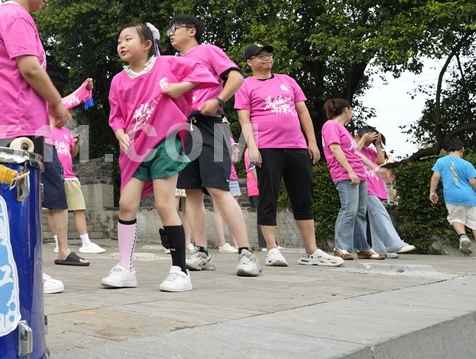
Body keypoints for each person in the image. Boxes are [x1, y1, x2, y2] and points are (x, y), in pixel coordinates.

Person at [102, 22, 221, 292]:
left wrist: (181, 88)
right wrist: (119, 133)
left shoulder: (167, 64)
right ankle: (125, 268)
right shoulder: (118, 80)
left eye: (128, 39)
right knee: (126, 204)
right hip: (134, 148)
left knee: (164, 204)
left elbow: (204, 73)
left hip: (166, 142)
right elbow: (116, 115)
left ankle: (180, 271)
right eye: (119, 40)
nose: (122, 44)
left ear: (147, 45)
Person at [0, 0, 73, 295]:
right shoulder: (17, 16)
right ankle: (26, 273)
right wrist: (57, 102)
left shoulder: (5, 16)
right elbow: (30, 69)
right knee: (22, 200)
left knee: (11, 199)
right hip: (20, 124)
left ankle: (14, 271)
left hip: (8, 122)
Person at [234, 44, 343, 267]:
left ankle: (311, 251)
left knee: (303, 198)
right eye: (260, 56)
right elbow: (244, 118)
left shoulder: (288, 81)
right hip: (266, 147)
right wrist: (252, 146)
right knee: (268, 197)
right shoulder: (246, 85)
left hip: (296, 146)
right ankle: (272, 249)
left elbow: (302, 111)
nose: (266, 58)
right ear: (249, 63)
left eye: (268, 55)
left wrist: (312, 142)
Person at [167, 15, 259, 278]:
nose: (171, 34)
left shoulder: (207, 51)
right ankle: (202, 252)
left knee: (218, 189)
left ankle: (246, 252)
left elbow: (236, 77)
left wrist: (218, 100)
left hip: (212, 126)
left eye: (175, 29)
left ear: (192, 31)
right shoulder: (173, 62)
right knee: (192, 193)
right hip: (185, 129)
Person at [322, 98, 382, 260]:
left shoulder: (343, 129)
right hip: (345, 174)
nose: (352, 113)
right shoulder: (331, 125)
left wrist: (374, 167)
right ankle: (341, 247)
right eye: (351, 110)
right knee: (348, 210)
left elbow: (354, 152)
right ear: (346, 110)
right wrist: (350, 171)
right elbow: (335, 149)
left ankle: (363, 248)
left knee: (360, 212)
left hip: (358, 174)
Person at [357, 126, 415, 257]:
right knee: (380, 213)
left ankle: (380, 249)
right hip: (366, 187)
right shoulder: (355, 147)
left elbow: (381, 161)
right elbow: (352, 153)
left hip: (375, 187)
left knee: (375, 218)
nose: (368, 144)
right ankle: (394, 243)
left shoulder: (369, 150)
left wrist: (377, 145)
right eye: (368, 141)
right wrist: (362, 140)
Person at [430, 136, 476, 256]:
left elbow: (436, 177)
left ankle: (463, 236)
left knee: (456, 218)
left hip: (451, 197)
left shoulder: (440, 161)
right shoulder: (466, 164)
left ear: (445, 150)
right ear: (462, 149)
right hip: (470, 198)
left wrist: (432, 192)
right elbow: (474, 182)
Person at [51, 116, 105, 256]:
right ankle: (58, 244)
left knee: (79, 208)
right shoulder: (46, 131)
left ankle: (86, 243)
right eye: (65, 116)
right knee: (52, 210)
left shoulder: (67, 132)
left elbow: (73, 153)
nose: (66, 120)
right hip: (53, 176)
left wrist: (75, 143)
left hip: (70, 175)